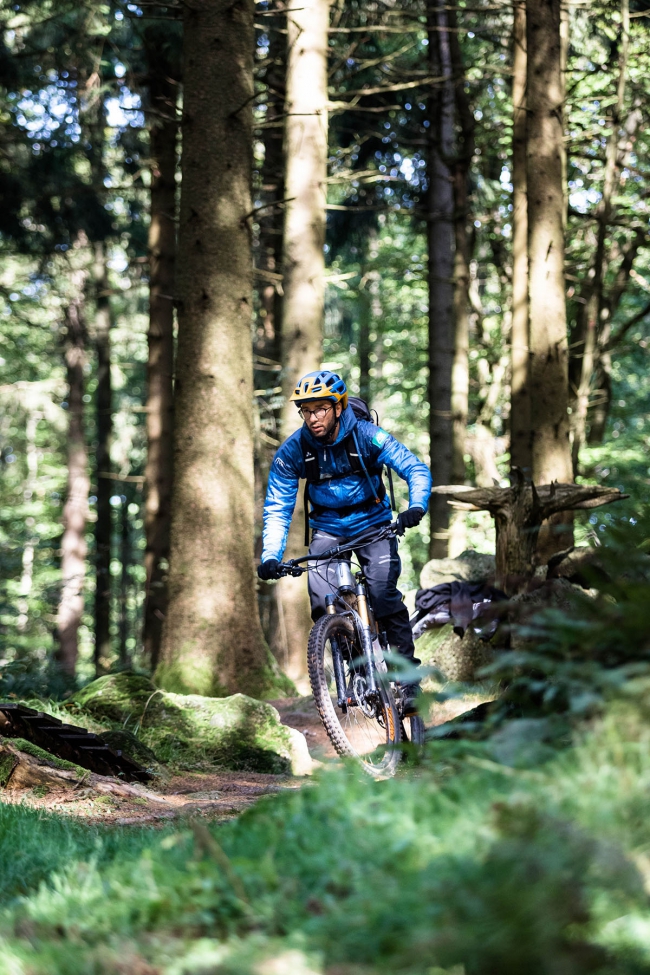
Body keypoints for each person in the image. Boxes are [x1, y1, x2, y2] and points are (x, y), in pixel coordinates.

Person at [257, 370, 432, 714]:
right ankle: (359, 671)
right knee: (323, 604)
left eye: (320, 409)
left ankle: (409, 681)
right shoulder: (294, 449)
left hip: (374, 524)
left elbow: (413, 467)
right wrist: (270, 555)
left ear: (338, 407)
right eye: (306, 411)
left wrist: (416, 505)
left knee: (382, 596)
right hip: (327, 528)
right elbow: (277, 504)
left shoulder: (368, 435)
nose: (313, 417)